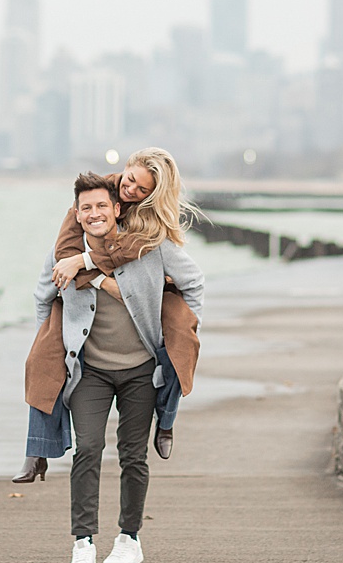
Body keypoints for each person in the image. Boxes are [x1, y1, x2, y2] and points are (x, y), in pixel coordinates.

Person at [30, 172, 203, 563]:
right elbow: (42, 299)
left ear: (117, 209)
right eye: (86, 208)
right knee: (87, 449)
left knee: (132, 455)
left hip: (141, 370)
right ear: (76, 213)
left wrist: (182, 329)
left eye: (102, 206)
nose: (94, 214)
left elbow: (193, 283)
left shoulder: (148, 246)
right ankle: (83, 543)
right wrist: (49, 345)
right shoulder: (64, 253)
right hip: (89, 371)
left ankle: (129, 538)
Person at [13, 147, 203, 483]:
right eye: (131, 181)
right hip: (86, 291)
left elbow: (128, 250)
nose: (132, 191)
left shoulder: (151, 220)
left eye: (142, 190)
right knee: (42, 359)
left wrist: (190, 318)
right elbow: (64, 250)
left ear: (153, 195)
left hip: (155, 297)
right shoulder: (97, 196)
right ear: (126, 167)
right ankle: (36, 450)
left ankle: (167, 421)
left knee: (181, 347)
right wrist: (90, 276)